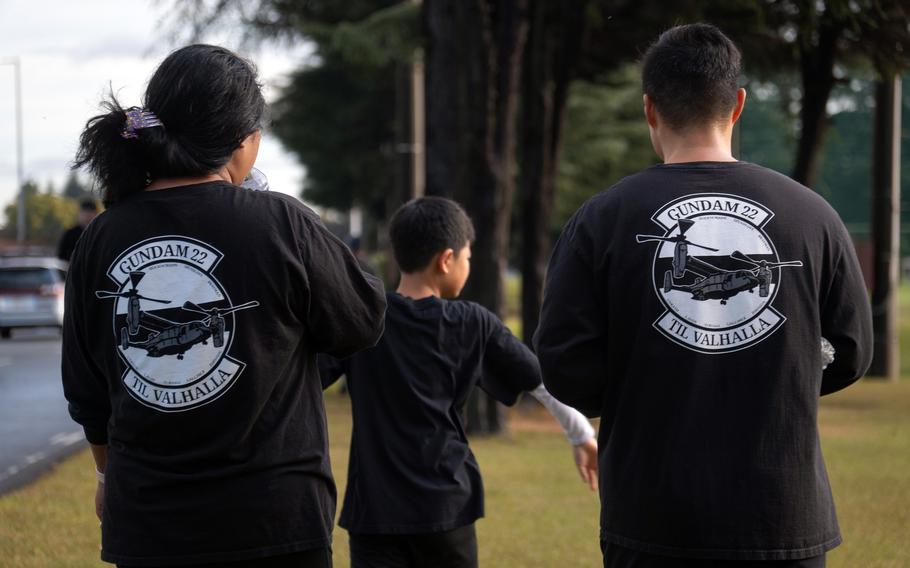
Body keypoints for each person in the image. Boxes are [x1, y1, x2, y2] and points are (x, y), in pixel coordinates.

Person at [534, 24, 872, 568]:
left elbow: (564, 366)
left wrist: (638, 386)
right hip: (782, 519)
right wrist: (773, 377)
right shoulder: (815, 217)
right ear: (737, 104)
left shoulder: (601, 220)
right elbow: (851, 352)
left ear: (650, 109)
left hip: (652, 521)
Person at [62, 44, 386, 568]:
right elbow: (364, 319)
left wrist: (105, 477)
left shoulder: (100, 236)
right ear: (242, 140)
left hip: (148, 525)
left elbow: (87, 391)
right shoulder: (283, 222)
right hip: (277, 522)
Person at [319, 196, 598, 568]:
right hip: (447, 507)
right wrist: (581, 435)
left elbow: (304, 376)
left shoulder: (366, 318)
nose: (468, 265)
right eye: (467, 257)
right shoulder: (472, 322)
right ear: (446, 259)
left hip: (375, 513)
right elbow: (540, 382)